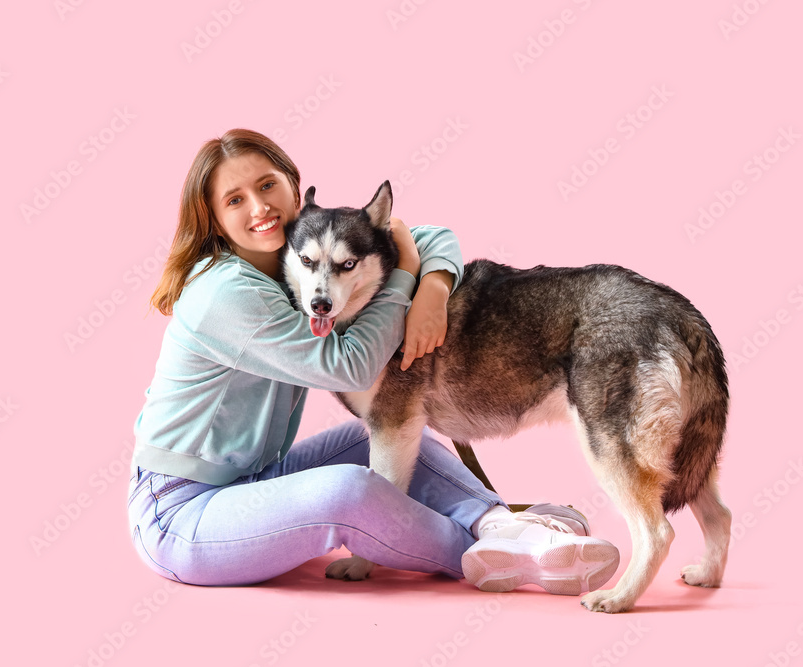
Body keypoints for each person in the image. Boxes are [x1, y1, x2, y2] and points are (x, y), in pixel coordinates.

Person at [126, 129, 619, 594]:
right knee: (348, 490)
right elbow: (351, 367)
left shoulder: (295, 255)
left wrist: (434, 287)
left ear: (295, 191)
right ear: (211, 216)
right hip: (181, 512)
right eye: (235, 199)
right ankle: (506, 546)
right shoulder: (225, 293)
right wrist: (405, 276)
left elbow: (426, 236)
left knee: (382, 435)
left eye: (267, 185)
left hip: (257, 479)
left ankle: (501, 521)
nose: (259, 206)